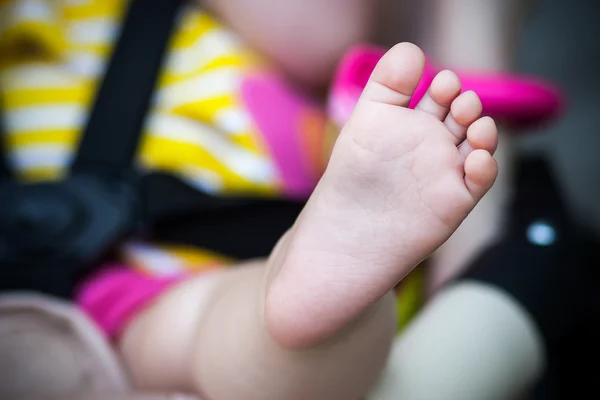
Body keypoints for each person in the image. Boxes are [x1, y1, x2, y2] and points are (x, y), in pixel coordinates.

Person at [0, 1, 498, 398]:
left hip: (170, 289)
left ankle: (328, 296)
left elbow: (319, 32)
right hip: (49, 284)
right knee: (220, 328)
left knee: (234, 325)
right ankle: (323, 297)